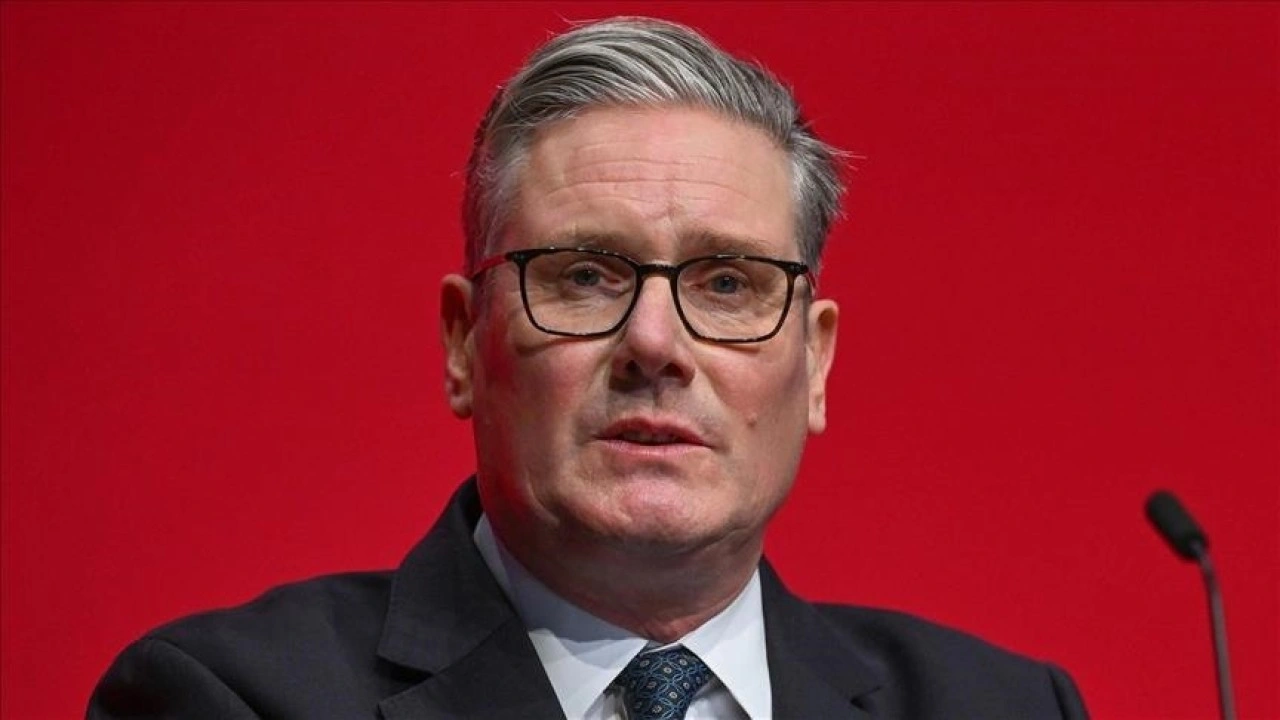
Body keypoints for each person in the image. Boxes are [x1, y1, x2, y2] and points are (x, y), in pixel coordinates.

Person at [89, 17, 1088, 720]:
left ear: (814, 360)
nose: (654, 343)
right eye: (583, 276)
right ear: (463, 343)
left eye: (727, 284)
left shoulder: (1004, 707)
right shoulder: (230, 698)